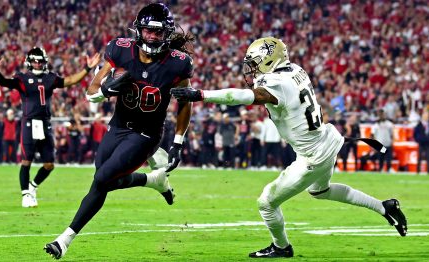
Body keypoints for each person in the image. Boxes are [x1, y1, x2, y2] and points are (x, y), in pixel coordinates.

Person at [171, 37, 407, 258]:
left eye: (256, 63)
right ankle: (383, 207)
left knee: (266, 202)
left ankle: (281, 247)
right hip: (326, 139)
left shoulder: (276, 82)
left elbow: (244, 97)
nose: (252, 69)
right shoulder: (295, 70)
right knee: (320, 191)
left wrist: (201, 94)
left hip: (312, 153)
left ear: (270, 59)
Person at [44, 3, 194, 259]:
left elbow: (185, 102)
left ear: (167, 34)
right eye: (148, 30)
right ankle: (153, 180)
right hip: (119, 126)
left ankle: (64, 239)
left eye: (158, 32)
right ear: (139, 30)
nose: (153, 36)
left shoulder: (178, 64)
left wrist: (178, 141)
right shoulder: (121, 50)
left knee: (102, 180)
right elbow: (91, 93)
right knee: (103, 177)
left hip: (147, 134)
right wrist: (107, 89)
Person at [0, 48, 100, 207]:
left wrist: (88, 68)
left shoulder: (50, 78)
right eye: (35, 61)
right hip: (29, 122)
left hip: (45, 123)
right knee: (26, 160)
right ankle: (25, 195)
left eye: (40, 61)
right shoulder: (22, 78)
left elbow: (69, 81)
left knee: (49, 164)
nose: (38, 63)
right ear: (29, 62)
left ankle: (32, 187)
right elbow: (4, 82)